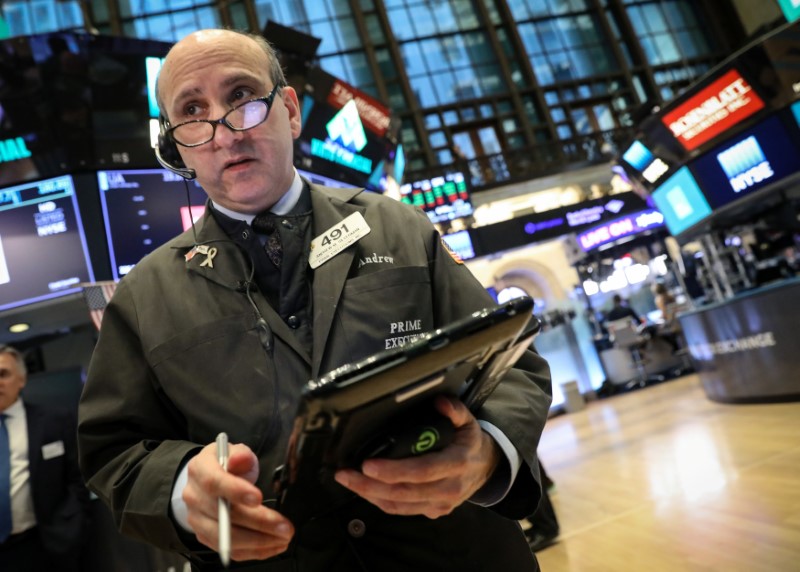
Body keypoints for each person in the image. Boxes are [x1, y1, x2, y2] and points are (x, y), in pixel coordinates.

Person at [77, 29, 553, 571]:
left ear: (290, 110)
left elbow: (516, 363)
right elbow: (113, 450)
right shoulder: (143, 296)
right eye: (192, 109)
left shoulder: (398, 227)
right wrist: (183, 486)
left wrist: (488, 450)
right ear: (177, 145)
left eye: (241, 97)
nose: (226, 132)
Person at [0, 345, 91, 571]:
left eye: (3, 374)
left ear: (22, 379)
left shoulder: (53, 420)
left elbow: (78, 478)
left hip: (46, 541)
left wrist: (74, 526)